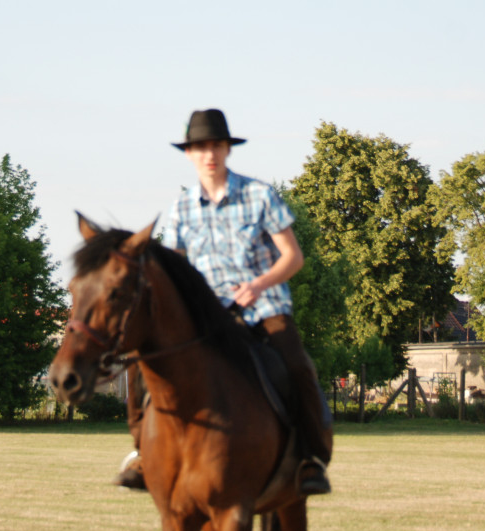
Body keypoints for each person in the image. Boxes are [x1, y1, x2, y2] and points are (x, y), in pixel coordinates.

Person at [114, 108, 332, 496]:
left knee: (297, 365)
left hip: (264, 308)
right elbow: (176, 269)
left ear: (228, 149)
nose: (209, 154)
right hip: (205, 317)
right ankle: (142, 453)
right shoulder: (181, 209)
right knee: (140, 360)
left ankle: (310, 459)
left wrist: (260, 284)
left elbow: (293, 257)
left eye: (216, 145)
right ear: (189, 154)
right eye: (200, 147)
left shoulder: (260, 195)